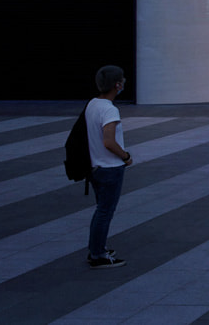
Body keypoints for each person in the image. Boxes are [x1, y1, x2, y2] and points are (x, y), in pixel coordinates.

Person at [85, 65, 132, 269]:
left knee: (101, 210)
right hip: (110, 168)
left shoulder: (93, 104)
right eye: (121, 80)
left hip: (96, 167)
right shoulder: (109, 110)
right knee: (105, 212)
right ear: (117, 84)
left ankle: (97, 248)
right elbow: (109, 141)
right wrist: (126, 156)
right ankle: (98, 254)